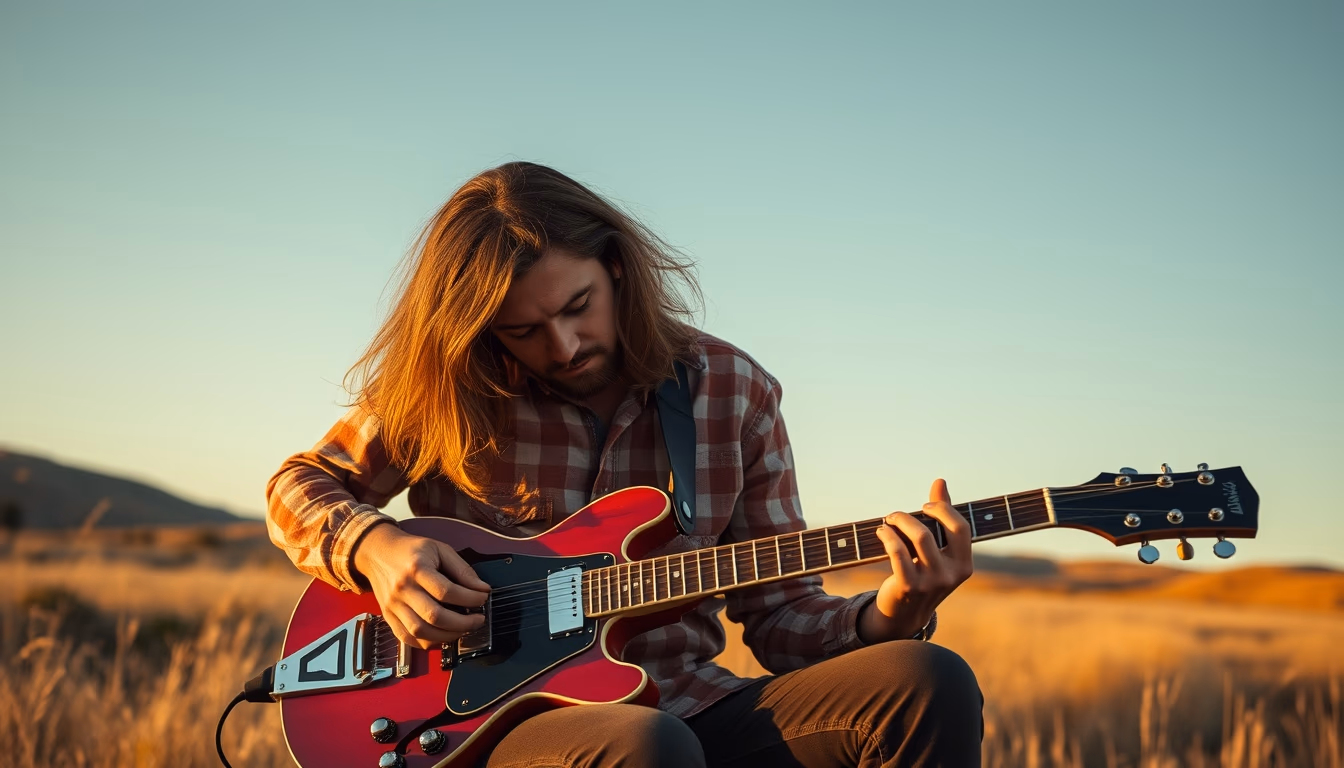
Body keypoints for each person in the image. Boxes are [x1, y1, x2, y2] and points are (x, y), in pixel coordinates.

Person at [266, 162, 982, 767]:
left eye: (580, 306)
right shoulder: (448, 386)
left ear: (615, 267)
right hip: (494, 732)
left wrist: (898, 610)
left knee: (925, 680)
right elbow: (296, 487)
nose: (565, 345)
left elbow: (782, 616)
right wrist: (375, 546)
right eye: (523, 330)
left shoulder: (732, 389)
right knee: (647, 748)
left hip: (690, 703)